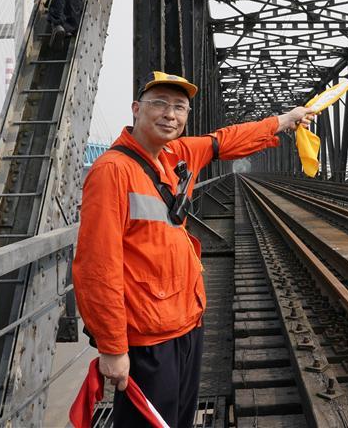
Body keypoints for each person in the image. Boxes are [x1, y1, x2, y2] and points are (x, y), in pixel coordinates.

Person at [72, 71, 316, 428]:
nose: (170, 114)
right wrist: (112, 347)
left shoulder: (177, 154)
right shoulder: (112, 171)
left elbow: (225, 140)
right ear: (136, 110)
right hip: (148, 335)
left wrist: (284, 121)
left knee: (178, 420)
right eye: (159, 104)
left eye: (180, 107)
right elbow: (97, 267)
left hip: (187, 321)